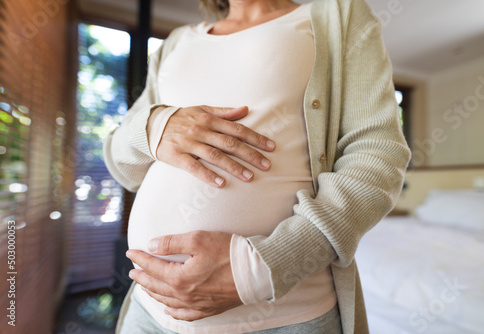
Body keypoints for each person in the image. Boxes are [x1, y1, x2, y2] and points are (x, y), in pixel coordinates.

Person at [103, 0, 411, 333]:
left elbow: (377, 155)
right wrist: (154, 127)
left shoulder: (337, 14)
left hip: (282, 318)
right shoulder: (176, 41)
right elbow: (121, 162)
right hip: (150, 311)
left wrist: (261, 269)